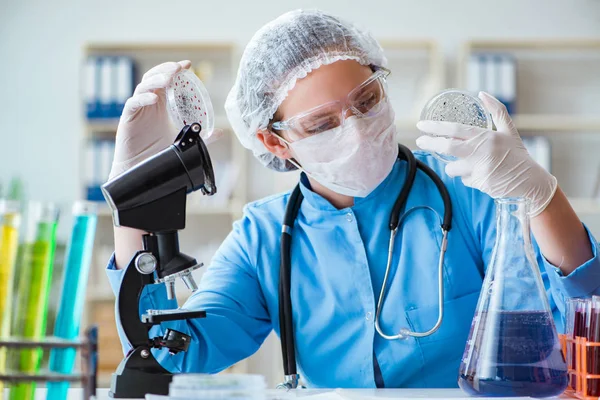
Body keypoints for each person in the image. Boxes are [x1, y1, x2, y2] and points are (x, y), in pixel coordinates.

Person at [106, 9, 600, 388]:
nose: (359, 129)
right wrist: (136, 200)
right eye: (322, 123)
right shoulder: (260, 236)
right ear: (275, 142)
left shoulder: (469, 197)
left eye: (366, 101)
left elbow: (581, 315)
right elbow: (173, 354)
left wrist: (539, 195)